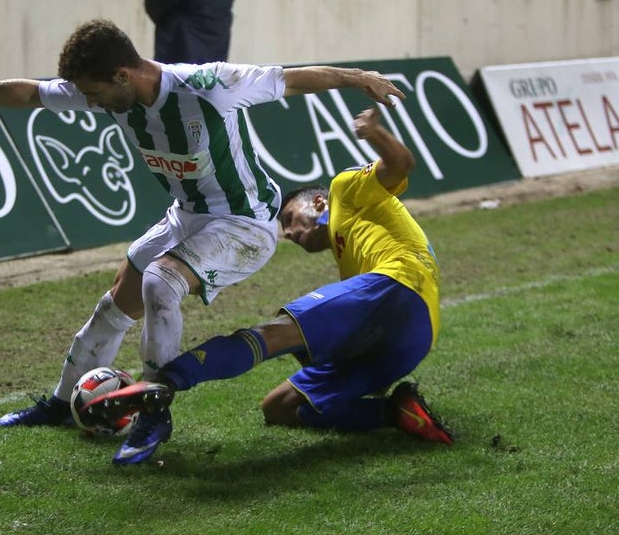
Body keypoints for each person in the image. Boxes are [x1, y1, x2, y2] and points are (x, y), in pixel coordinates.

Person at [0, 19, 406, 465]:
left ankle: (152, 412)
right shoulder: (108, 89)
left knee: (161, 283)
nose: (91, 103)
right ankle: (61, 402)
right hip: (186, 217)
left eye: (96, 93)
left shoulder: (208, 85)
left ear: (123, 75)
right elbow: (31, 93)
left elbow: (291, 79)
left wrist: (357, 78)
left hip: (244, 223)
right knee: (113, 306)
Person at [80, 106, 452, 464]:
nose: (287, 233)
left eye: (290, 218)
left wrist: (373, 132)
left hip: (398, 281)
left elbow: (400, 165)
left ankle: (168, 381)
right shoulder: (353, 254)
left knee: (274, 333)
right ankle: (395, 412)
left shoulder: (345, 191)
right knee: (280, 408)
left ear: (318, 202)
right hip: (417, 336)